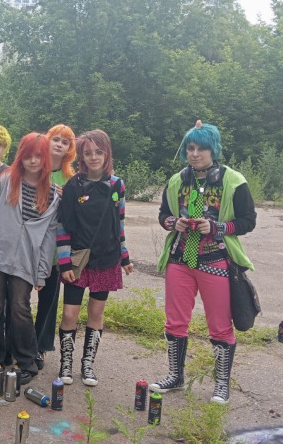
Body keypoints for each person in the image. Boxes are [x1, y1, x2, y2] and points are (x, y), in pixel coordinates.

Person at [151, 121, 256, 405]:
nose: (195, 154)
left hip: (216, 260)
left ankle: (221, 384)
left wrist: (218, 227)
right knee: (175, 321)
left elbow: (248, 221)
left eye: (201, 148)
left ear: (214, 149)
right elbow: (163, 215)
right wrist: (174, 222)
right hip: (180, 259)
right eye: (190, 148)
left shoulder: (233, 180)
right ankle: (175, 376)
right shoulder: (177, 180)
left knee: (220, 324)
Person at [0, 133, 60, 385]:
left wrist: (42, 272)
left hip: (25, 261)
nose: (33, 161)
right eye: (28, 156)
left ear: (46, 159)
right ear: (20, 157)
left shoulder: (53, 194)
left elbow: (49, 238)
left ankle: (27, 362)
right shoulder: (6, 182)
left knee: (20, 308)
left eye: (38, 156)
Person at [56, 130, 133, 386]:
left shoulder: (117, 185)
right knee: (69, 314)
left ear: (107, 153)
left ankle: (87, 364)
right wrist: (64, 262)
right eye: (88, 153)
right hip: (78, 261)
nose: (94, 157)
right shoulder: (73, 186)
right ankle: (66, 363)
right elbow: (62, 226)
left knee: (96, 312)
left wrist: (124, 257)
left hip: (107, 259)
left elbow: (119, 224)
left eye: (99, 152)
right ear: (81, 156)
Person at [33, 124, 77, 370]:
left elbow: (74, 216)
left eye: (65, 141)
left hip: (54, 250)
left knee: (48, 302)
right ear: (47, 141)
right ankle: (16, 343)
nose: (59, 144)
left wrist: (65, 200)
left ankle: (39, 347)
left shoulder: (71, 178)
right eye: (56, 139)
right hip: (30, 246)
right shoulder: (34, 168)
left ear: (70, 148)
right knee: (17, 299)